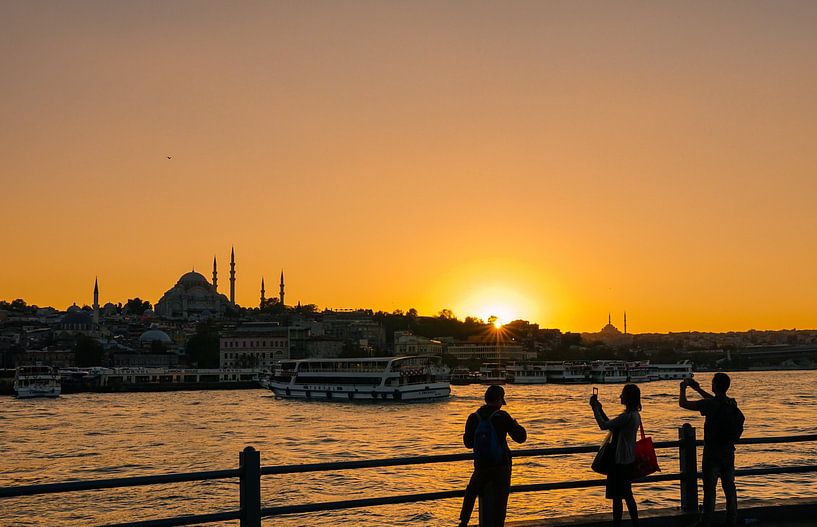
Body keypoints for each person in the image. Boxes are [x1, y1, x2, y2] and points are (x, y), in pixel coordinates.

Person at [679, 373, 742, 527]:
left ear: (714, 385)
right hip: (728, 451)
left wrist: (683, 388)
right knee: (729, 488)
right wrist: (698, 389)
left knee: (709, 490)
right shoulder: (731, 403)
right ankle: (731, 520)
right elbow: (714, 400)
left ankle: (705, 521)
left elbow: (683, 403)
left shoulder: (710, 405)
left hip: (712, 452)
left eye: (712, 383)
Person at [459, 385, 527, 527]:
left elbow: (468, 443)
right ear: (499, 400)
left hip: (481, 466)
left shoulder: (473, 417)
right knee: (500, 502)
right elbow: (521, 438)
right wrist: (516, 425)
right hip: (501, 467)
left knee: (471, 492)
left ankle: (463, 522)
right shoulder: (502, 416)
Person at [590, 384, 641, 527]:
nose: (620, 396)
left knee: (618, 498)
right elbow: (612, 424)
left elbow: (603, 425)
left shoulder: (626, 417)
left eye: (623, 394)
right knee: (627, 495)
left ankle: (618, 524)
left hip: (619, 462)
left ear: (629, 398)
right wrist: (600, 408)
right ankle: (635, 523)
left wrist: (594, 409)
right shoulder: (634, 416)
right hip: (628, 460)